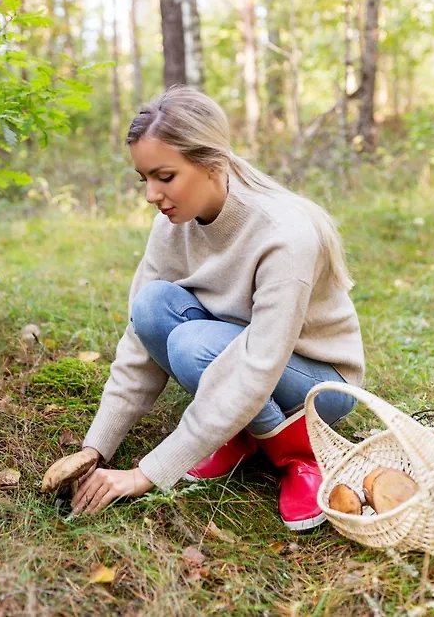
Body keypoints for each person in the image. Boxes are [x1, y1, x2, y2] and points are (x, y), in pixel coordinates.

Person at [43, 86, 364, 530]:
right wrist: (95, 448)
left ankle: (295, 457)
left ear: (212, 163)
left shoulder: (284, 234)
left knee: (195, 345)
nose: (152, 194)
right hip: (233, 351)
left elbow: (257, 365)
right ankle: (236, 431)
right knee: (151, 307)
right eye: (145, 179)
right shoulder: (172, 225)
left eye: (165, 176)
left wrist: (145, 474)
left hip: (318, 384)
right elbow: (139, 342)